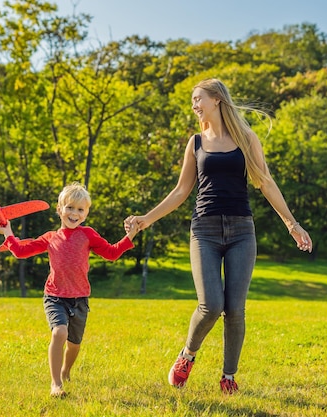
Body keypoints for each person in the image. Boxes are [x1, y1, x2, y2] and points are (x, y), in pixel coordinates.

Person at [125, 78, 312, 394]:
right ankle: (187, 355)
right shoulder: (195, 142)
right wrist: (146, 219)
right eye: (193, 101)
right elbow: (182, 190)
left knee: (235, 309)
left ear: (217, 100)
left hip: (241, 230)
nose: (194, 105)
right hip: (205, 230)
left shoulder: (246, 138)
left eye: (198, 99)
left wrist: (291, 224)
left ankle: (228, 377)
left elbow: (265, 182)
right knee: (210, 305)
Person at [0, 182, 139, 397]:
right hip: (54, 296)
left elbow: (111, 253)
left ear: (86, 213)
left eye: (80, 209)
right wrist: (7, 232)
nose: (74, 213)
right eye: (70, 207)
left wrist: (130, 237)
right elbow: (19, 251)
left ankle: (66, 370)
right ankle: (55, 384)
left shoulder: (88, 234)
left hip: (80, 298)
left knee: (74, 345)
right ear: (59, 209)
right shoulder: (50, 238)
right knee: (59, 332)